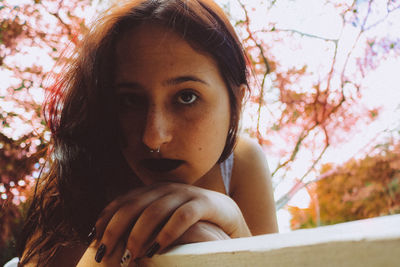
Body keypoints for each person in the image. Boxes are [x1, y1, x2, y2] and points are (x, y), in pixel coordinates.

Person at [16, 0, 278, 266]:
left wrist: (234, 223)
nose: (153, 137)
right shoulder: (84, 173)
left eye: (186, 97)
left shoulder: (242, 164)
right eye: (130, 100)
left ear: (236, 105)